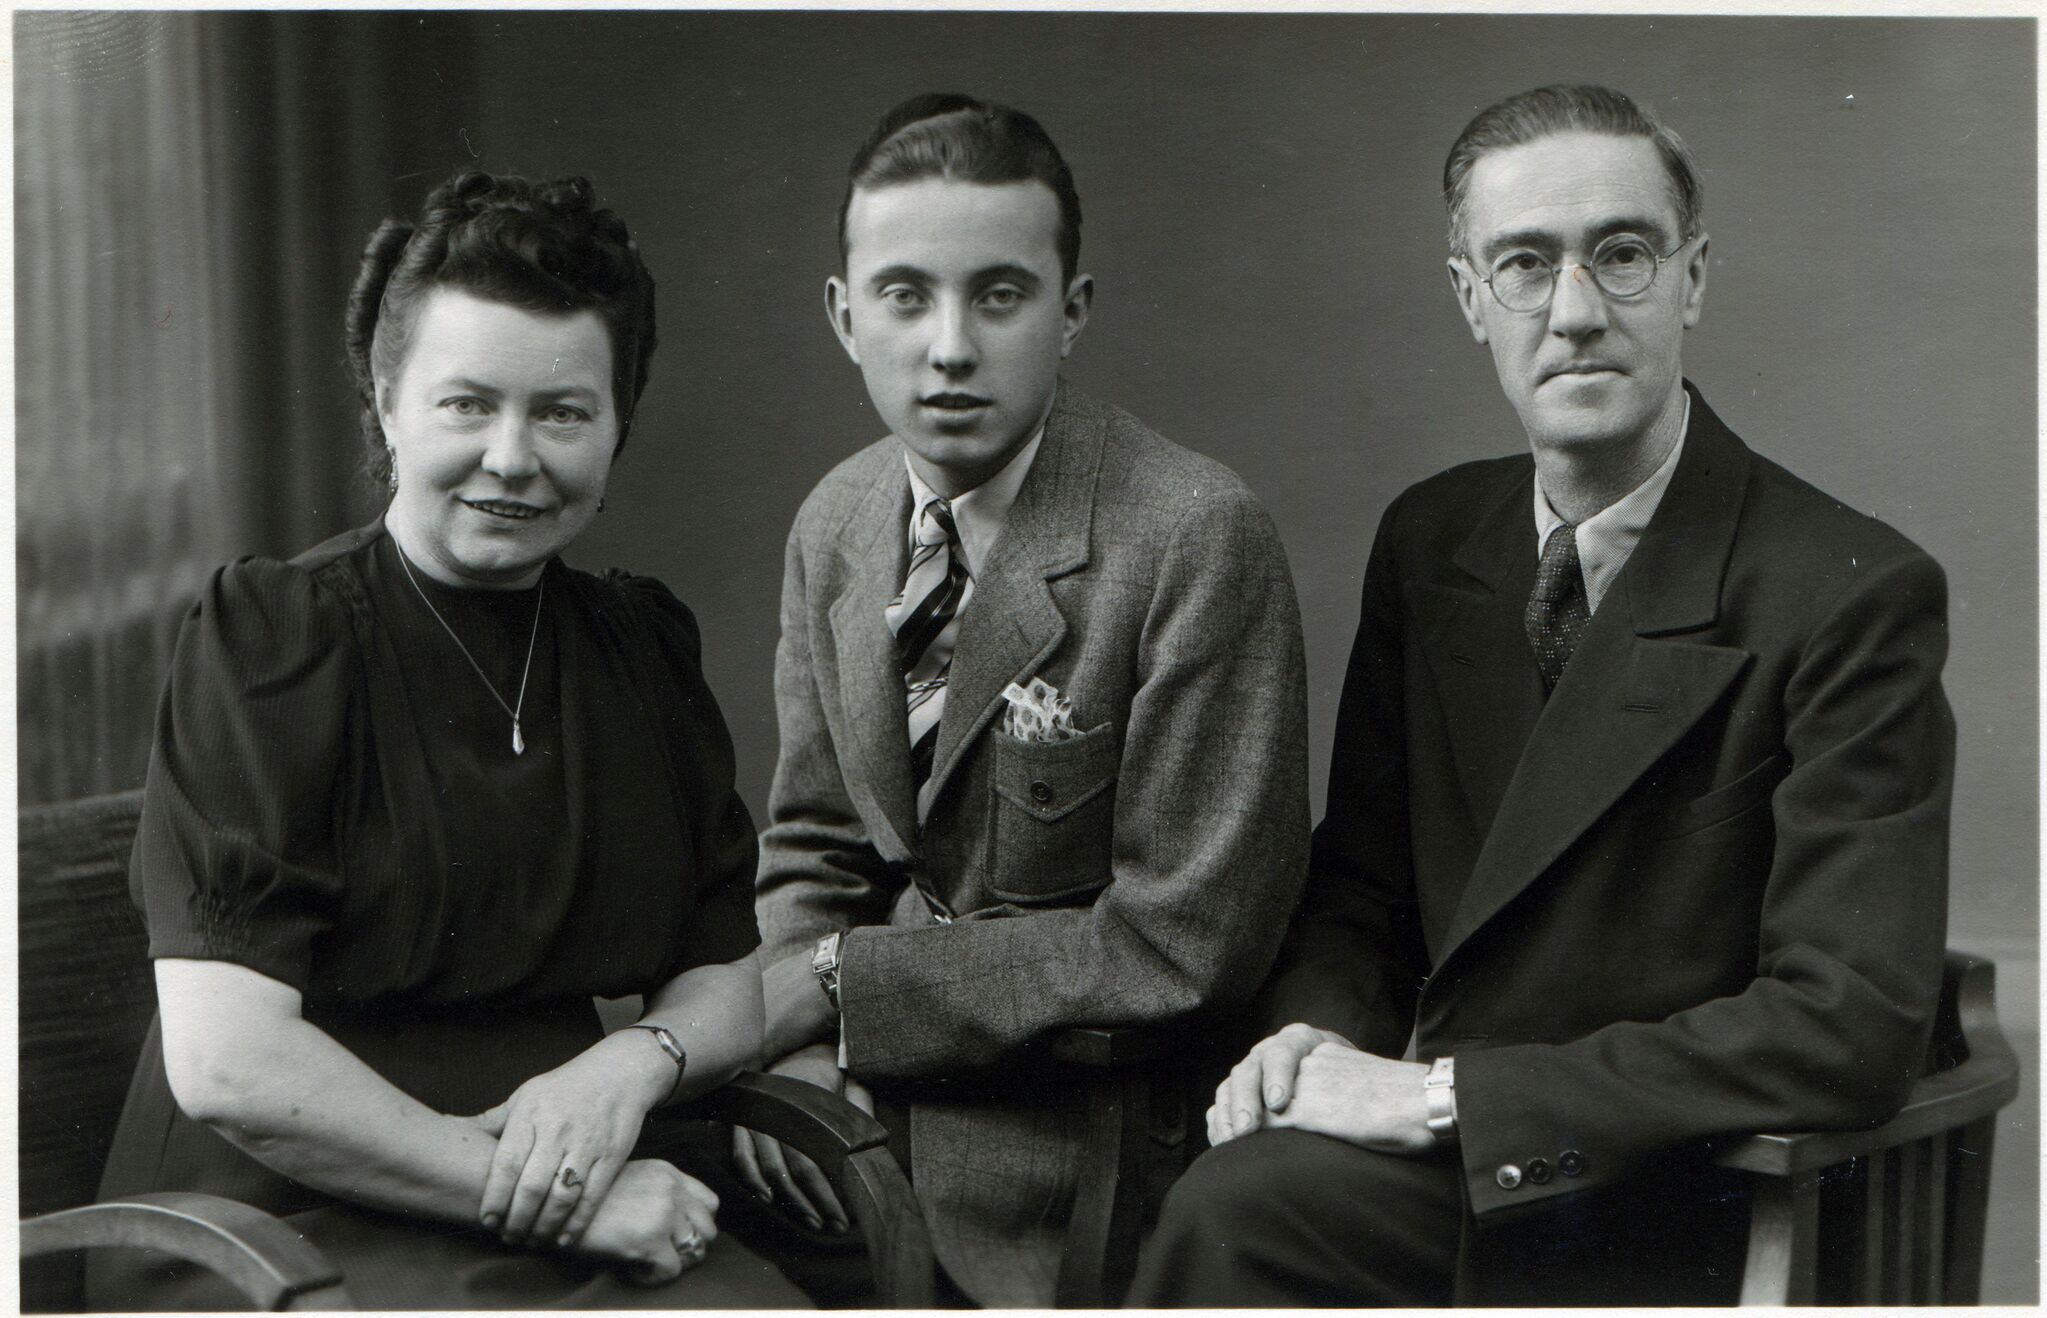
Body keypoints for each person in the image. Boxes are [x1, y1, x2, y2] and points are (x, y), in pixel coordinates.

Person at [1131, 84, 1956, 1306]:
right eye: (1524, 264)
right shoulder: (1431, 540)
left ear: (1692, 278)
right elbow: (1358, 889)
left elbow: (1846, 1021)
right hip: (1446, 1177)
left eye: (1621, 255)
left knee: (1235, 1216)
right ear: (1471, 297)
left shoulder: (1847, 592)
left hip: (1673, 1194)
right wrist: (1313, 1037)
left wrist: (1443, 1096)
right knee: (1210, 1181)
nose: (1574, 312)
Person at [92, 170, 808, 1309]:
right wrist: (563, 1193)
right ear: (387, 404)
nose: (513, 458)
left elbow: (724, 977)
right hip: (278, 1225)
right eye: (467, 404)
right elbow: (229, 1066)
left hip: (564, 1174)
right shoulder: (274, 640)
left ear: (618, 426)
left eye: (563, 413)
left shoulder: (637, 649)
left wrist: (630, 1064)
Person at [730, 93, 1311, 1307]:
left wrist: (842, 993)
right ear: (843, 316)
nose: (948, 347)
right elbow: (813, 845)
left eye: (999, 295)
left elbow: (1181, 944)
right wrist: (801, 1052)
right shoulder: (835, 522)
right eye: (904, 295)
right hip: (840, 1123)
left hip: (1083, 1154)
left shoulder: (1193, 533)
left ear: (1071, 311)